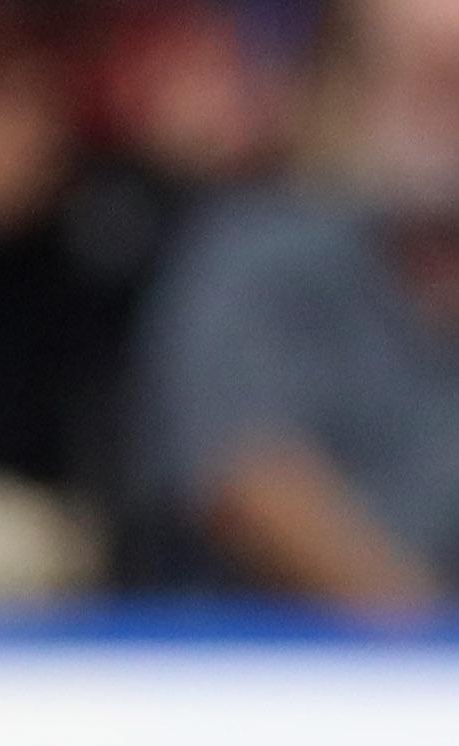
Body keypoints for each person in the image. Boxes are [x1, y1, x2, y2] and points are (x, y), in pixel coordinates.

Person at [131, 0, 459, 609]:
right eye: (419, 76)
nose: (439, 112)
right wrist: (425, 644)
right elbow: (250, 483)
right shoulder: (260, 254)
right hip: (275, 669)